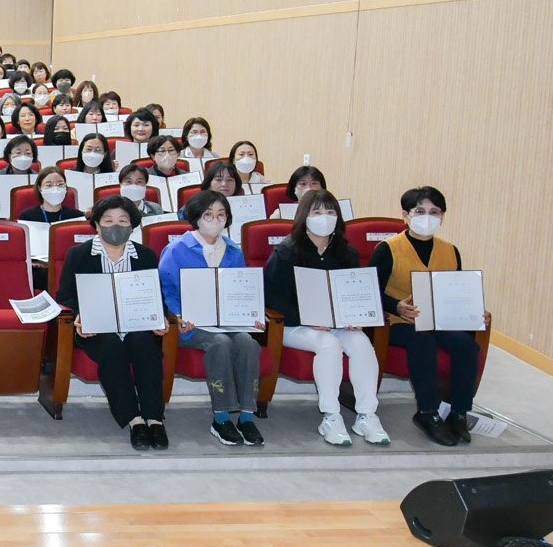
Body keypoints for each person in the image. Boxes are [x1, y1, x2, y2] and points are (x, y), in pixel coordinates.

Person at [262, 193, 386, 447]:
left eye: (330, 212)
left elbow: (354, 292)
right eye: (317, 212)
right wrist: (307, 319)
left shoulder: (347, 252)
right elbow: (272, 298)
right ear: (304, 217)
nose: (325, 218)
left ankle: (367, 414)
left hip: (336, 324)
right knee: (329, 345)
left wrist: (354, 315)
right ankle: (331, 416)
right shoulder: (286, 252)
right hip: (294, 325)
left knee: (361, 343)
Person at [371, 186, 486, 447]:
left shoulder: (450, 250)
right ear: (405, 215)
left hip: (439, 320)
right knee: (423, 340)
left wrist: (474, 311)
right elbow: (369, 291)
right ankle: (427, 412)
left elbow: (457, 291)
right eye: (420, 211)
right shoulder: (388, 249)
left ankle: (458, 412)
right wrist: (397, 306)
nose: (428, 217)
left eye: (435, 212)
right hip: (399, 322)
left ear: (442, 217)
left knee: (467, 345)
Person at [55, 195, 170, 450]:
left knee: (146, 347)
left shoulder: (146, 255)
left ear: (132, 225)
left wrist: (160, 316)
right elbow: (64, 296)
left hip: (136, 325)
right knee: (112, 349)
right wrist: (79, 316)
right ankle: (134, 420)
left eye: (122, 221)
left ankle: (155, 418)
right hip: (96, 328)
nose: (115, 226)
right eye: (108, 221)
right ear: (96, 224)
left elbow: (155, 294)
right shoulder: (79, 254)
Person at [157, 191, 266, 446]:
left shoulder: (233, 250)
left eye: (221, 215)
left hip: (226, 321)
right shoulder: (176, 249)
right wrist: (178, 315)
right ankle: (221, 418)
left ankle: (247, 417)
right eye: (208, 215)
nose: (215, 220)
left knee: (248, 342)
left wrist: (252, 314)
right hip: (189, 325)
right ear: (196, 217)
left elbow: (241, 289)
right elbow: (164, 290)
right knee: (221, 343)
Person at [18, 167, 84, 226]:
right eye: (49, 185)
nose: (55, 189)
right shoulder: (27, 217)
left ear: (65, 188)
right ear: (40, 188)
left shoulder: (77, 217)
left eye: (60, 184)